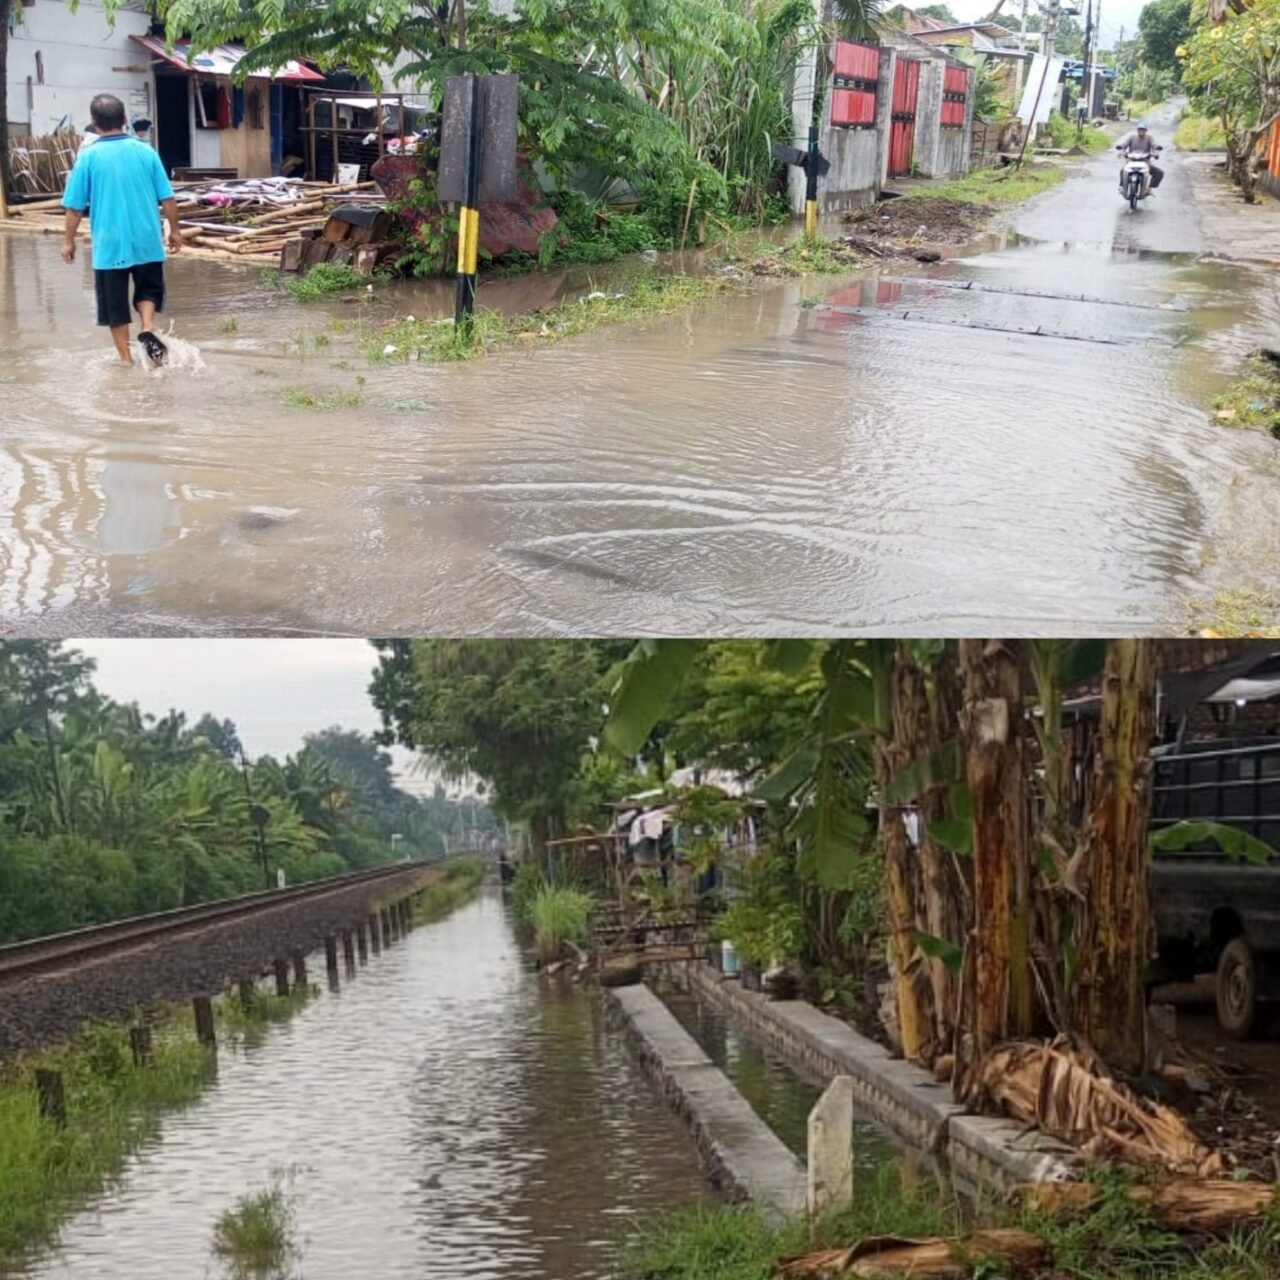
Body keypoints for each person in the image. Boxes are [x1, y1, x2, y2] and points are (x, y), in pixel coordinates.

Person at [61, 94, 182, 367]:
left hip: (109, 245)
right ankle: (148, 327)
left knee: (115, 308)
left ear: (94, 122)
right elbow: (168, 199)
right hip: (147, 239)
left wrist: (67, 241)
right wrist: (175, 231)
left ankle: (126, 363)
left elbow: (75, 208)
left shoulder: (88, 157)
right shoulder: (146, 151)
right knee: (149, 291)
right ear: (125, 120)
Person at [1116, 121, 1164, 196]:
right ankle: (1122, 187)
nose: (1141, 131)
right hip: (1131, 160)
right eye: (1139, 129)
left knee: (1159, 172)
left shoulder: (1149, 138)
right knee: (1122, 170)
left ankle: (1149, 188)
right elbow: (1124, 145)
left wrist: (1156, 152)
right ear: (1137, 130)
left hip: (1145, 162)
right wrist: (1121, 150)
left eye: (1143, 129)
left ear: (1146, 131)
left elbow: (1154, 145)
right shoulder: (1132, 137)